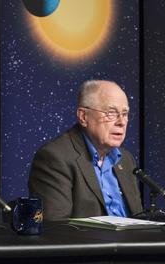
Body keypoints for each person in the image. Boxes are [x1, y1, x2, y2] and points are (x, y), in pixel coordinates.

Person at [29, 79, 143, 219]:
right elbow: (55, 228)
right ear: (83, 117)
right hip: (88, 240)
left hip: (133, 240)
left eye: (125, 114)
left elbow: (138, 218)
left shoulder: (126, 160)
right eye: (111, 113)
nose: (121, 122)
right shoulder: (55, 157)